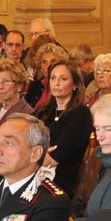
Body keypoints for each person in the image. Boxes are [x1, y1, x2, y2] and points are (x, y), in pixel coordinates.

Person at [35, 61, 94, 195]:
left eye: (63, 79)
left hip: (59, 181)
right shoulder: (44, 110)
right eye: (53, 78)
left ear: (74, 85)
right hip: (34, 173)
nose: (56, 83)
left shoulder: (80, 114)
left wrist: (33, 152)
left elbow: (53, 159)